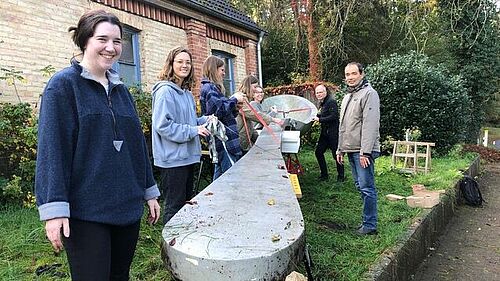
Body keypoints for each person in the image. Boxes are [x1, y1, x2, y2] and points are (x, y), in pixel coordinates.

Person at [35, 10, 160, 280]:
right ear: (85, 40)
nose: (111, 47)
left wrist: (149, 190)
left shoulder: (121, 90)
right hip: (85, 212)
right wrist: (54, 209)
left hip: (127, 208)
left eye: (117, 41)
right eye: (102, 39)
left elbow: (136, 145)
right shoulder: (63, 86)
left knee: (120, 276)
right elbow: (52, 151)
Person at [151, 46, 210, 224]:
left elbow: (188, 122)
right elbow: (163, 125)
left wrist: (204, 121)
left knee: (185, 205)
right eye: (180, 62)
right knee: (174, 207)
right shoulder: (164, 92)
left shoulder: (186, 93)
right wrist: (194, 130)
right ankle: (168, 248)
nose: (185, 65)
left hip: (189, 157)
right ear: (171, 64)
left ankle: (182, 244)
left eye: (188, 62)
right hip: (173, 159)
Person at [336, 62, 380, 235]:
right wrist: (340, 149)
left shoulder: (369, 94)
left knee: (367, 187)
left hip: (363, 151)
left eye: (354, 73)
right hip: (351, 149)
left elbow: (370, 124)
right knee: (360, 186)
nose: (350, 77)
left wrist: (365, 152)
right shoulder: (348, 96)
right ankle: (367, 221)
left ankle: (370, 225)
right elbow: (343, 125)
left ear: (362, 74)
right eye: (347, 75)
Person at [199, 55, 245, 180]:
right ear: (214, 69)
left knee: (219, 177)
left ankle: (212, 199)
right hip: (223, 140)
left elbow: (225, 114)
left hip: (224, 139)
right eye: (222, 70)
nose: (224, 73)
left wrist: (235, 107)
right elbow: (218, 111)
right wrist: (234, 99)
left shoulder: (214, 89)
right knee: (231, 178)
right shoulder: (209, 88)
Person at [236, 75, 283, 154]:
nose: (255, 90)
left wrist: (258, 139)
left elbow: (249, 124)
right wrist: (273, 119)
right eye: (254, 87)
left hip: (242, 141)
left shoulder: (246, 99)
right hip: (235, 141)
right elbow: (254, 114)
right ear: (248, 85)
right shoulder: (240, 98)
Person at [312, 84, 345, 182]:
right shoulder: (322, 103)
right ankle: (324, 175)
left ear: (325, 92)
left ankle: (341, 177)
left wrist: (319, 119)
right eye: (317, 92)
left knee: (337, 155)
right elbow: (322, 114)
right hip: (325, 133)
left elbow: (334, 116)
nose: (319, 94)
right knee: (318, 152)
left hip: (333, 133)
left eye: (321, 92)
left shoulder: (331, 102)